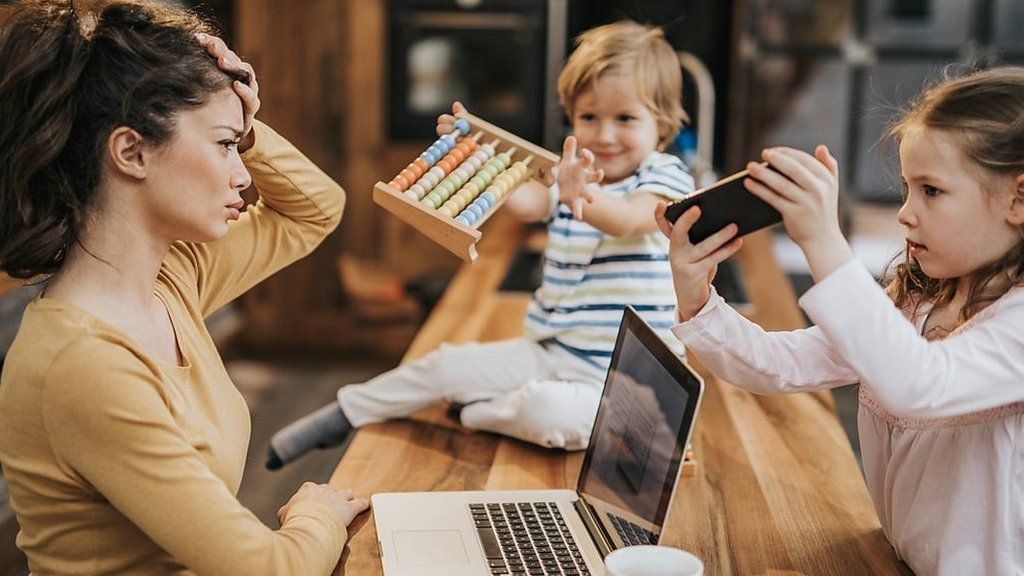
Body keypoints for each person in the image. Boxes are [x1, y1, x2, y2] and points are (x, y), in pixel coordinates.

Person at [0, 1, 368, 574]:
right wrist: (314, 511)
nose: (243, 172)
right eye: (224, 146)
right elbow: (274, 570)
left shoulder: (171, 281)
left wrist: (244, 123)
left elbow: (315, 212)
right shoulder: (82, 366)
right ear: (132, 151)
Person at [268, 20, 695, 467]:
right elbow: (527, 202)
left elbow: (627, 220)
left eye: (625, 118)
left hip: (629, 382)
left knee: (550, 413)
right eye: (589, 117)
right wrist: (475, 153)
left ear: (661, 125)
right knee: (447, 365)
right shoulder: (573, 176)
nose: (605, 135)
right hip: (552, 352)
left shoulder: (664, 177)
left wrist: (576, 192)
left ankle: (478, 412)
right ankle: (348, 411)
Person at [659, 66, 1024, 575]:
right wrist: (698, 297)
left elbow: (920, 386)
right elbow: (776, 364)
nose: (905, 213)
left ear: (1019, 199)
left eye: (931, 191)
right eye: (906, 188)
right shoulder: (921, 301)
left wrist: (823, 242)